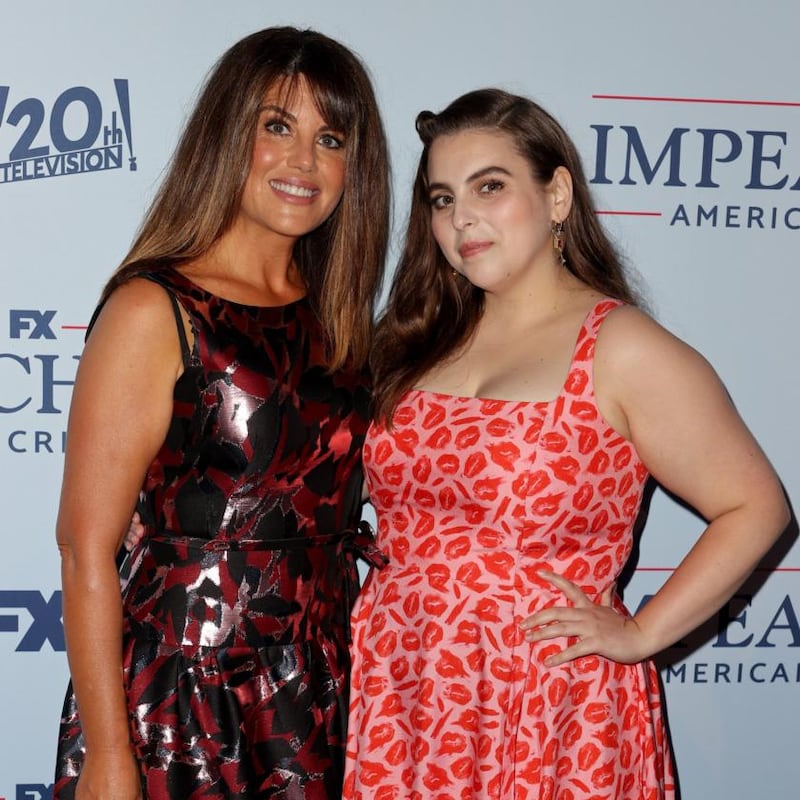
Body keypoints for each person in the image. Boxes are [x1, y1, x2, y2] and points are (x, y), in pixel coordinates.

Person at [343, 88, 789, 799]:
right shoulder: (415, 341)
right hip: (403, 684)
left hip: (545, 701)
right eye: (441, 198)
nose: (462, 219)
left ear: (557, 196)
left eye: (490, 187)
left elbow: (756, 507)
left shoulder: (620, 347)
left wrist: (642, 634)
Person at [54, 26, 389, 800]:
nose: (304, 161)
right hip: (179, 698)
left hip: (322, 692)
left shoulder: (344, 325)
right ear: (226, 135)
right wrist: (110, 758)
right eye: (277, 126)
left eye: (329, 137)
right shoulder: (155, 308)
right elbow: (84, 548)